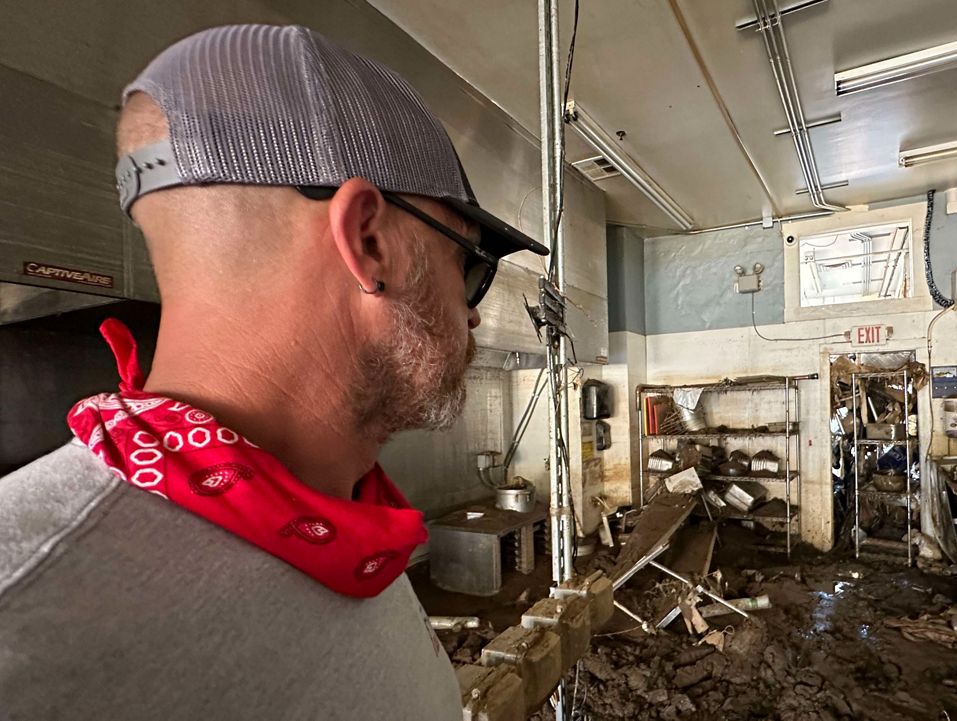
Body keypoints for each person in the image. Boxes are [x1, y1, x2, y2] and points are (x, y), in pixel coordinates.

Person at [0, 24, 547, 720]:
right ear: (368, 241)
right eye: (470, 264)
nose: (472, 316)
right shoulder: (20, 634)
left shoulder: (346, 530)